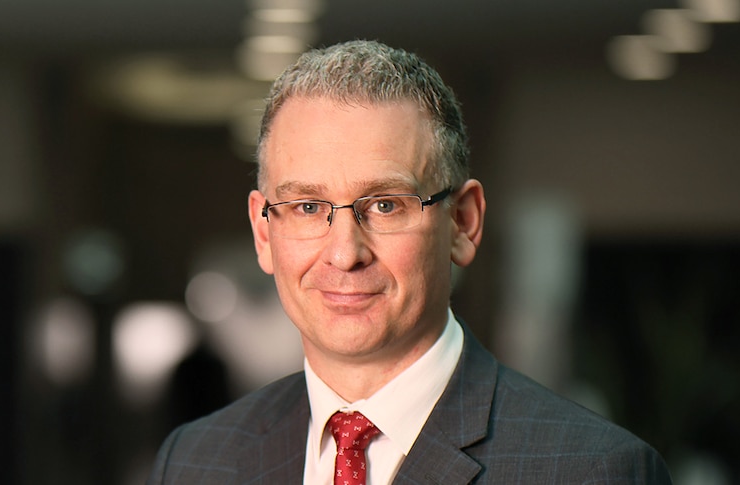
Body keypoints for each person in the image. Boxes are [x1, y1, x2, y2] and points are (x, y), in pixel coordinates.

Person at [147, 40, 672, 484]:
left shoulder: (593, 471)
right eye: (308, 207)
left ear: (463, 224)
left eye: (384, 205)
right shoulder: (196, 462)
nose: (344, 253)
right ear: (264, 231)